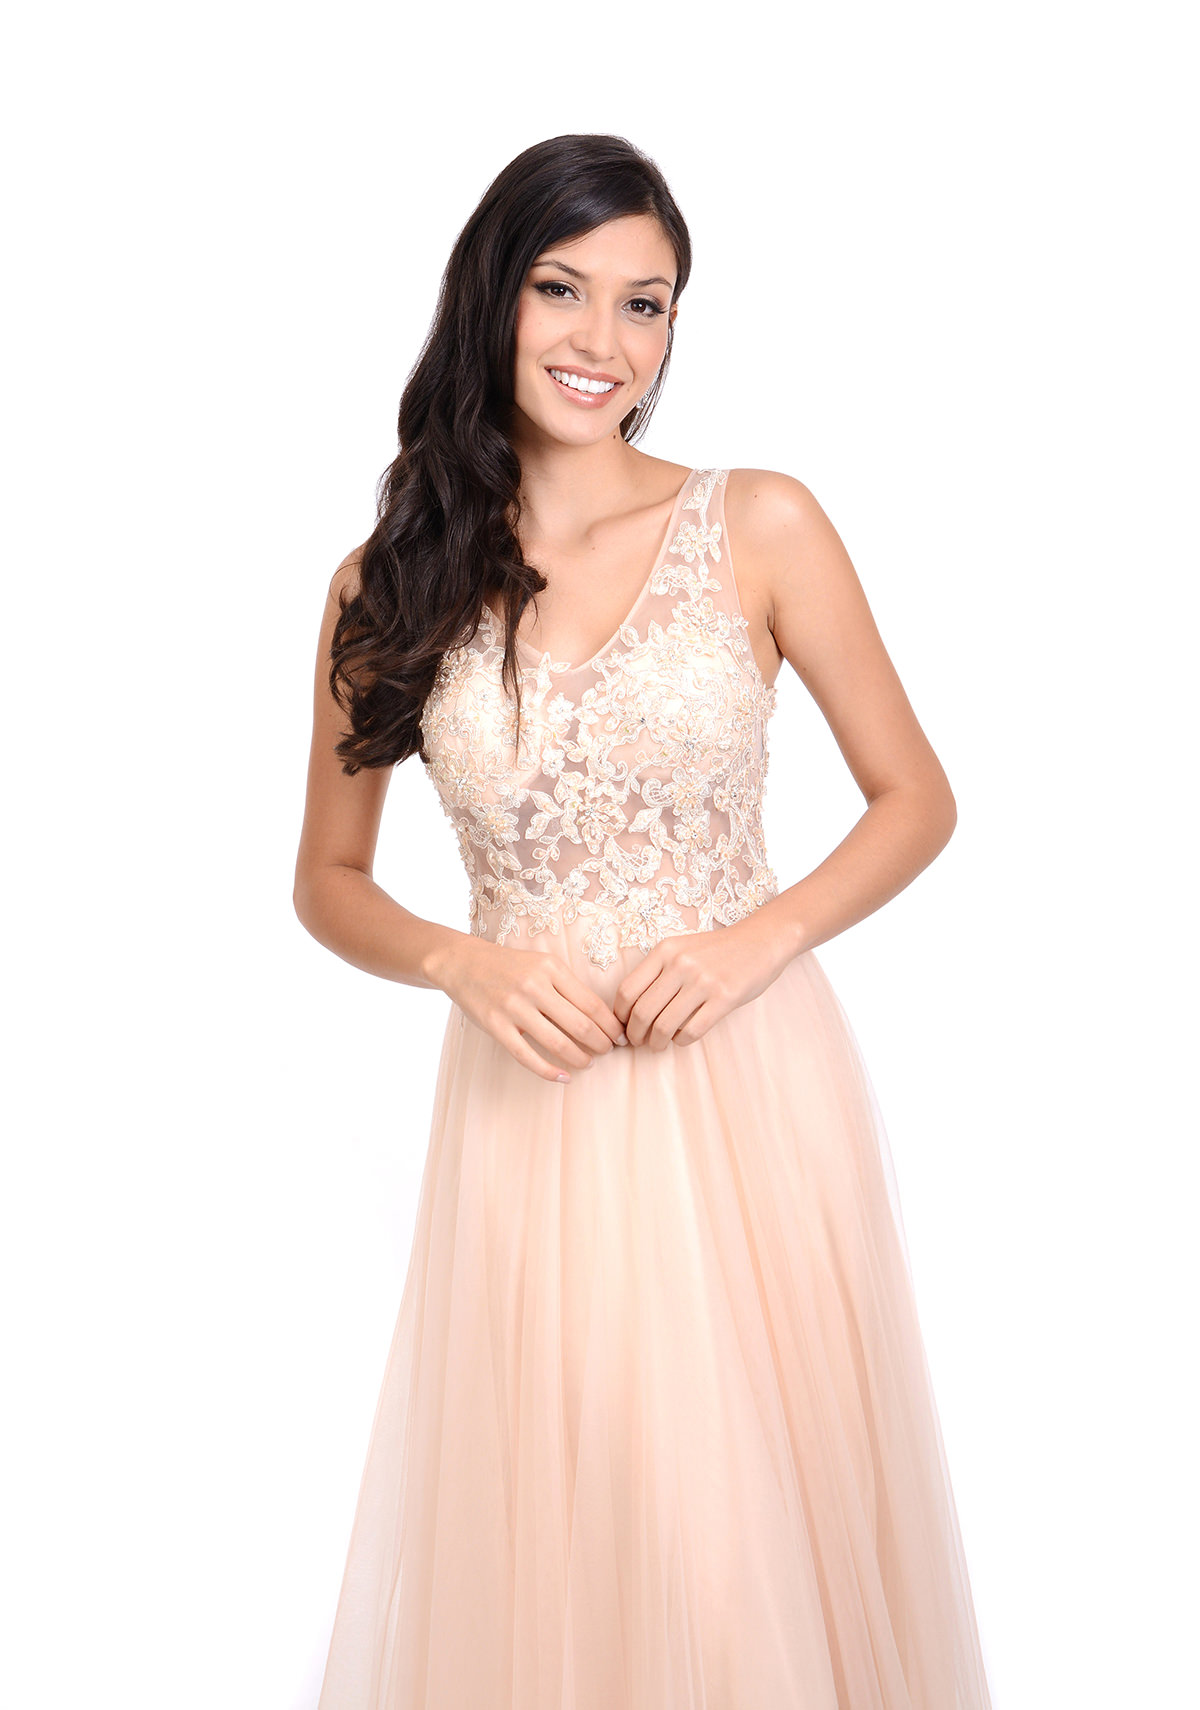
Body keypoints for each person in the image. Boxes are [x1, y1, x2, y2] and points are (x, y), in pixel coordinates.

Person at [294, 132, 993, 1710]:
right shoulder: (385, 581)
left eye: (645, 302)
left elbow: (916, 797)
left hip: (745, 1093)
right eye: (562, 289)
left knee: (736, 1555)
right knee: (569, 1541)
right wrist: (460, 959)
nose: (601, 340)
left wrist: (757, 940)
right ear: (492, 295)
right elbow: (327, 877)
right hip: (526, 1112)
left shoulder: (762, 523)